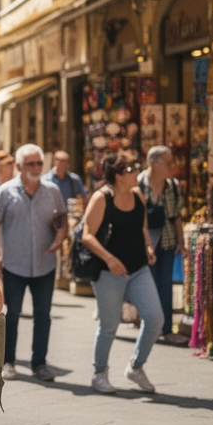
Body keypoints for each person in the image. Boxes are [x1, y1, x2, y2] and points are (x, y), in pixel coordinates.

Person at [79, 152, 161, 394]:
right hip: (108, 273)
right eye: (131, 169)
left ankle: (136, 367)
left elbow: (143, 226)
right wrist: (110, 259)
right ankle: (99, 373)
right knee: (109, 325)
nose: (137, 172)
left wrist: (147, 246)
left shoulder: (138, 195)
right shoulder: (102, 198)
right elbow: (87, 235)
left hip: (138, 268)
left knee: (155, 318)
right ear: (118, 176)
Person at [0, 144, 66, 382]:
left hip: (45, 263)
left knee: (43, 315)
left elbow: (61, 218)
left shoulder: (52, 191)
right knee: (12, 315)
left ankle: (39, 363)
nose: (35, 168)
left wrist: (59, 239)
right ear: (19, 166)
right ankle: (8, 362)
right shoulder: (5, 192)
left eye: (38, 163)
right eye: (30, 164)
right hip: (15, 264)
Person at [138, 146, 184, 344]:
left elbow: (176, 216)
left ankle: (166, 328)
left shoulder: (172, 186)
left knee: (165, 285)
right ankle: (150, 327)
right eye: (168, 162)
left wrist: (181, 242)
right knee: (148, 286)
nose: (172, 166)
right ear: (154, 163)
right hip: (144, 243)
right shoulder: (139, 184)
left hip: (166, 241)